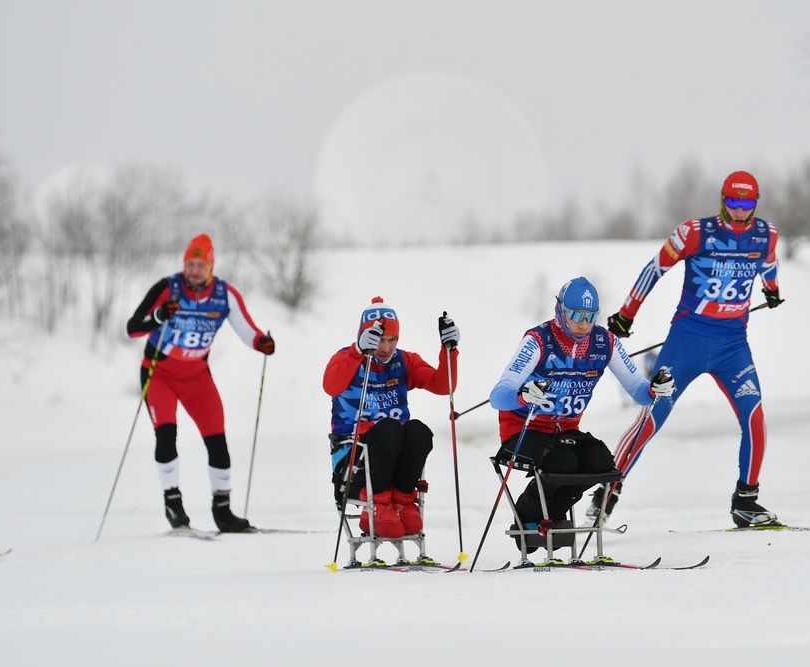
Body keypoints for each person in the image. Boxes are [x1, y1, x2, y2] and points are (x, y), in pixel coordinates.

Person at [597, 170, 783, 528]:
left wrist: (772, 290)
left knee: (755, 418)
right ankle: (609, 489)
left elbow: (770, 265)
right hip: (687, 341)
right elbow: (655, 269)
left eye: (747, 203)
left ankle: (746, 501)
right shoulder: (695, 232)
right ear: (723, 200)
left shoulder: (765, 234)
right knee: (653, 417)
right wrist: (625, 314)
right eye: (733, 202)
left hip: (733, 346)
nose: (740, 209)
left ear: (755, 203)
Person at [488, 276, 675, 549]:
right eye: (575, 315)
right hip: (523, 430)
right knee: (563, 461)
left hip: (565, 431)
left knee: (601, 462)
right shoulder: (539, 340)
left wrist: (655, 388)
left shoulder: (604, 342)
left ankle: (550, 516)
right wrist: (523, 396)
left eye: (590, 316)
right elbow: (498, 397)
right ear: (560, 311)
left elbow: (637, 388)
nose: (583, 323)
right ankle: (526, 519)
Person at [126, 234, 275, 532]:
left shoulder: (224, 294)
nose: (194, 271)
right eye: (189, 264)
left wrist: (262, 343)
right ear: (183, 264)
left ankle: (223, 510)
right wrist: (158, 316)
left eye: (200, 265)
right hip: (160, 373)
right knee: (166, 434)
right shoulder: (167, 288)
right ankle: (173, 503)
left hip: (196, 375)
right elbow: (133, 328)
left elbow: (247, 330)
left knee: (216, 438)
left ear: (211, 266)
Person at [323, 297, 460, 539]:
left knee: (419, 431)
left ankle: (403, 500)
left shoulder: (404, 361)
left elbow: (443, 385)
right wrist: (357, 352)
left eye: (392, 340)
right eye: (380, 341)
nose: (386, 348)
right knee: (389, 429)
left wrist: (449, 351)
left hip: (392, 451)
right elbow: (331, 386)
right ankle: (376, 504)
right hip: (355, 455)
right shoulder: (347, 358)